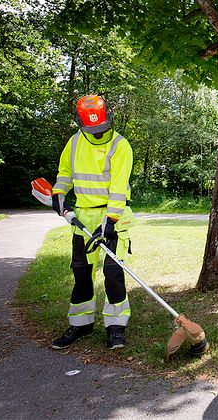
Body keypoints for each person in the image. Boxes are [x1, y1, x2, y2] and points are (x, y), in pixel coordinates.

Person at [50, 94, 135, 350]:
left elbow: (118, 190)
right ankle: (81, 323)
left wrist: (109, 222)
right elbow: (65, 173)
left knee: (112, 273)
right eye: (92, 129)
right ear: (80, 123)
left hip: (114, 219)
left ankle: (116, 327)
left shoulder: (121, 146)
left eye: (101, 128)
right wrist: (58, 193)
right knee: (82, 273)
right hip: (83, 218)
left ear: (109, 118)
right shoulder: (75, 142)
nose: (97, 134)